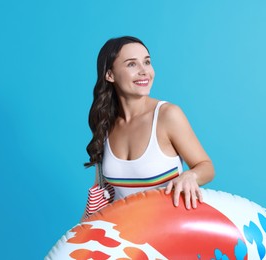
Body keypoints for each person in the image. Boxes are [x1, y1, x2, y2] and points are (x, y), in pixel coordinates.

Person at [82, 36, 214, 220]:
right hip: (126, 239)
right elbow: (100, 194)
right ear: (110, 75)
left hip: (171, 236)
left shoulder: (168, 115)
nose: (144, 71)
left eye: (147, 62)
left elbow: (206, 167)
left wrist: (191, 176)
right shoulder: (105, 123)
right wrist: (78, 242)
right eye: (131, 64)